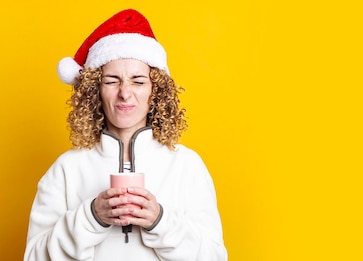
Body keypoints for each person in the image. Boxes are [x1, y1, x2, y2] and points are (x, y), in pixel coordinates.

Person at [24, 9, 227, 260]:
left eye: (138, 81)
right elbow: (33, 257)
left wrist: (160, 221)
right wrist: (91, 217)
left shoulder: (187, 167)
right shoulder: (66, 169)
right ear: (94, 90)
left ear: (156, 91)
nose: (125, 93)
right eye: (111, 81)